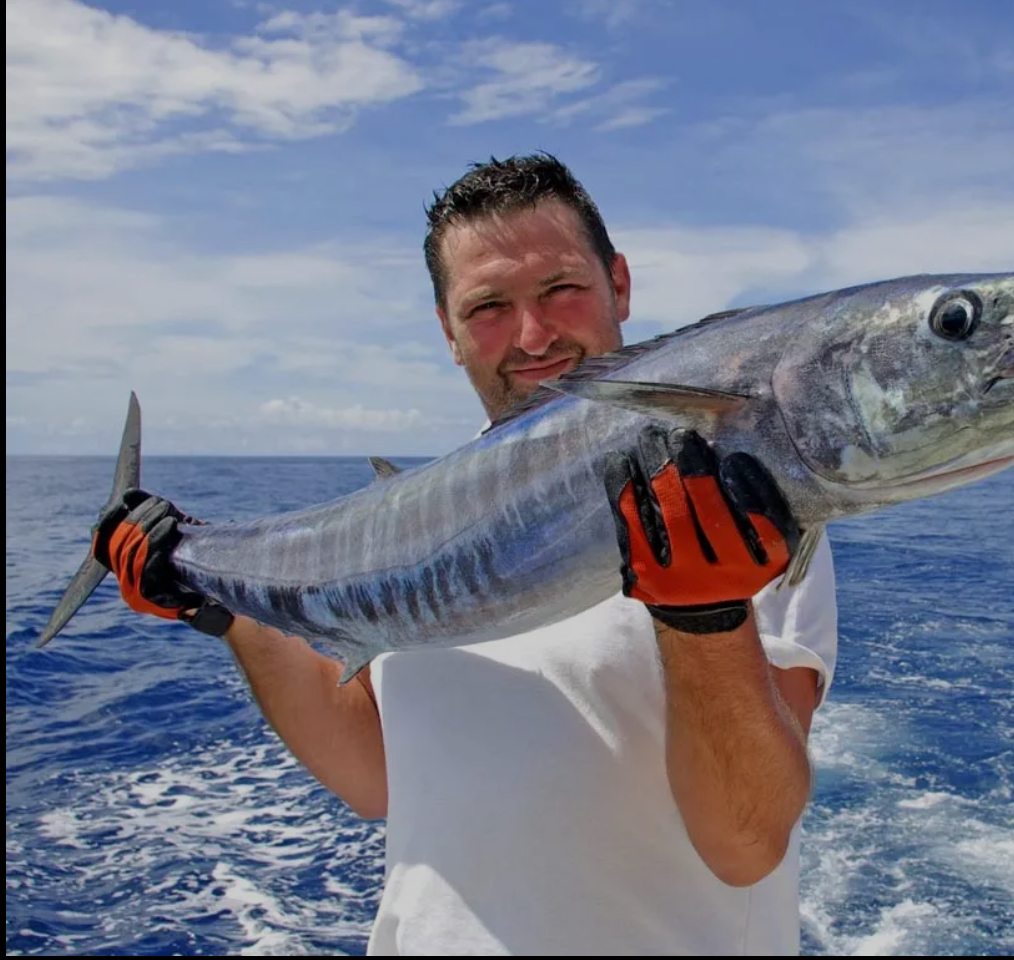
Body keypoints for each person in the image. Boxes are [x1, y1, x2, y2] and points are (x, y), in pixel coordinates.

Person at [92, 153, 839, 955]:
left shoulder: (742, 505)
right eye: (488, 306)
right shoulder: (418, 522)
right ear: (448, 332)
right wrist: (221, 611)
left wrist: (705, 616)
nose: (534, 334)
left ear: (619, 283)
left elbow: (746, 844)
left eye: (561, 289)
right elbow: (375, 775)